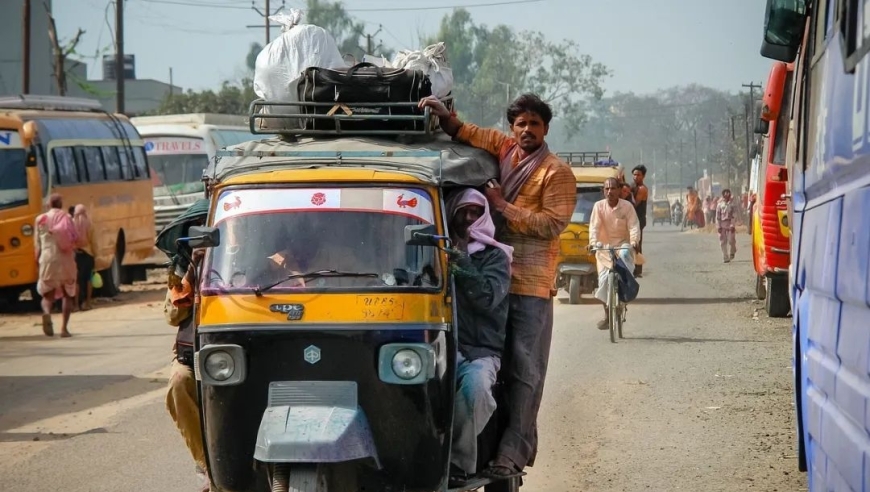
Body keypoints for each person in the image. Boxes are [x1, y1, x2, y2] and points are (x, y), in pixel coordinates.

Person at [419, 93, 576, 478]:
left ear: (546, 129)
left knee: (524, 371)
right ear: (512, 128)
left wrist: (502, 206)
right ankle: (476, 447)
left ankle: (512, 453)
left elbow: (552, 224)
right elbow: (469, 133)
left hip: (528, 283)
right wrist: (445, 117)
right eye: (520, 124)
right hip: (490, 272)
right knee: (484, 365)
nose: (526, 130)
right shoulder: (504, 148)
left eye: (534, 124)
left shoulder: (556, 173)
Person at [445, 188, 513, 487]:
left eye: (476, 212)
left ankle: (455, 463)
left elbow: (487, 297)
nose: (470, 219)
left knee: (476, 392)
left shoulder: (496, 257)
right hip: (444, 348)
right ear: (453, 215)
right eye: (464, 212)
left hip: (481, 352)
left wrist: (461, 262)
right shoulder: (438, 252)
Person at [165, 245, 211, 492]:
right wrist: (192, 271)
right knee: (179, 383)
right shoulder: (181, 270)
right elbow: (172, 316)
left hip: (241, 352)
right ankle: (206, 464)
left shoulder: (255, 251)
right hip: (191, 356)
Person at [589, 178, 640, 329]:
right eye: (607, 189)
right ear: (603, 191)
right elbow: (594, 228)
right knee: (603, 281)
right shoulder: (598, 207)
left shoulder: (627, 207)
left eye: (613, 188)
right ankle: (607, 315)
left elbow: (634, 226)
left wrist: (634, 242)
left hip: (623, 246)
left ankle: (624, 296)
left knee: (625, 258)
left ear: (619, 190)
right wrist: (592, 243)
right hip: (604, 249)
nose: (610, 191)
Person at [34, 193, 78, 337]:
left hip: (47, 258)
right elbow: (75, 238)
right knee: (67, 294)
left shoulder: (40, 219)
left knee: (47, 295)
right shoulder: (67, 218)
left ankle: (47, 313)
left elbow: (37, 245)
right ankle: (64, 329)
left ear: (48, 205)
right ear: (61, 204)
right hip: (65, 259)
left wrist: (37, 261)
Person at [72, 204, 97, 311]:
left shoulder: (72, 224)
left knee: (77, 281)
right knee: (88, 279)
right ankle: (88, 303)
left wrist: (74, 249)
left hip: (76, 255)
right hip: (88, 254)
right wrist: (95, 254)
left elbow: (69, 239)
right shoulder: (90, 224)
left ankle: (76, 305)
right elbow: (94, 241)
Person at [630, 165, 648, 277]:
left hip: (639, 220)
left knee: (636, 244)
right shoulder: (633, 187)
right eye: (634, 174)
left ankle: (638, 269)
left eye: (638, 175)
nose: (636, 177)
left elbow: (634, 204)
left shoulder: (642, 189)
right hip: (632, 219)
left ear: (643, 176)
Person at [716, 189, 738, 263]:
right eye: (725, 194)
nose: (726, 195)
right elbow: (717, 216)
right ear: (723, 195)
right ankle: (725, 257)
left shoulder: (732, 204)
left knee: (731, 241)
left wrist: (732, 225)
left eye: (728, 193)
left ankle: (732, 251)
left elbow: (734, 215)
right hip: (722, 225)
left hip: (730, 224)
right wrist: (718, 226)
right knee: (722, 242)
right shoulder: (719, 204)